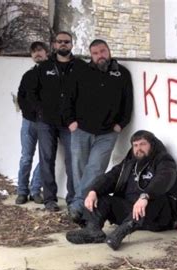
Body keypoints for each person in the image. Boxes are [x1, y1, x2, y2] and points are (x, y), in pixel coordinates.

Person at [66, 130, 177, 251]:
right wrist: (93, 191)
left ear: (152, 144)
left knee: (155, 199)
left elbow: (163, 179)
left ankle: (120, 233)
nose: (138, 148)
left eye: (143, 144)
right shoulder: (130, 162)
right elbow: (111, 176)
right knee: (100, 198)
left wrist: (145, 196)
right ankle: (92, 230)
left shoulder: (164, 160)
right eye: (135, 145)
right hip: (131, 210)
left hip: (158, 217)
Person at [64, 39, 133, 224]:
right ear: (91, 55)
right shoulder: (81, 71)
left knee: (95, 169)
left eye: (103, 51)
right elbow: (68, 97)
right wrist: (71, 122)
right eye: (95, 53)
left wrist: (121, 124)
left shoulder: (122, 73)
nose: (100, 55)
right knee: (79, 168)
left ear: (109, 51)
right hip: (81, 130)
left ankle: (78, 207)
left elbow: (128, 102)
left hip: (107, 133)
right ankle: (83, 206)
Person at [27, 31, 87, 212]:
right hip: (46, 122)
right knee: (46, 160)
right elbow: (32, 92)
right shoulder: (43, 67)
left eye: (67, 42)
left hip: (71, 123)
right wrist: (40, 111)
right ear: (53, 45)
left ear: (71, 45)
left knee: (73, 161)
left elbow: (87, 93)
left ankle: (72, 199)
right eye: (59, 42)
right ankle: (50, 200)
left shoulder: (81, 67)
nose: (63, 44)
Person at [15, 41, 49, 205]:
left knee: (45, 159)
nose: (37, 54)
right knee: (26, 158)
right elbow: (21, 97)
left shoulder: (53, 74)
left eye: (40, 51)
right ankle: (22, 191)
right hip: (29, 122)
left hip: (46, 124)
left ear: (46, 52)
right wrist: (29, 114)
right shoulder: (28, 75)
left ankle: (35, 190)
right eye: (34, 52)